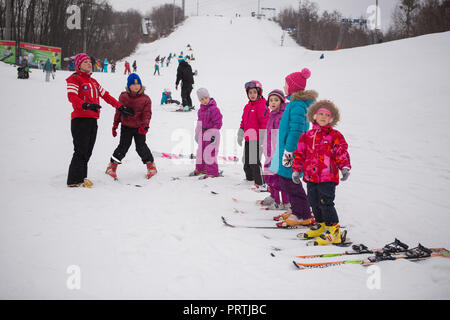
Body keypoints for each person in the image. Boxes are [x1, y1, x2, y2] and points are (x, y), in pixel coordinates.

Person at [65, 53, 134, 188]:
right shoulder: (74, 79)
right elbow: (72, 96)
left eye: (89, 62)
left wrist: (120, 107)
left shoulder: (93, 82)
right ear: (78, 65)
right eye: (85, 62)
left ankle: (81, 178)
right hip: (80, 119)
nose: (89, 64)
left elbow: (106, 96)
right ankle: (73, 180)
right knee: (80, 150)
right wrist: (85, 105)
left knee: (88, 151)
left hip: (92, 120)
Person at [292, 100, 351, 245]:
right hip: (311, 177)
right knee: (313, 201)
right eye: (320, 114)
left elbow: (341, 152)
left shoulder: (335, 135)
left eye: (326, 115)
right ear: (314, 116)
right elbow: (299, 154)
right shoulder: (307, 136)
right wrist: (296, 170)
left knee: (326, 203)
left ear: (331, 118)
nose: (323, 117)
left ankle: (334, 231)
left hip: (327, 177)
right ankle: (321, 224)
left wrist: (345, 167)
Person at [269, 68, 318, 228]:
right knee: (285, 181)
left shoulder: (297, 106)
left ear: (294, 87)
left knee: (291, 182)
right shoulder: (293, 104)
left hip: (292, 152)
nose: (284, 87)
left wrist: (289, 151)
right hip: (287, 150)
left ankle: (302, 214)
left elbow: (296, 131)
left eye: (286, 84)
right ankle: (296, 209)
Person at [106, 73, 156, 180]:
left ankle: (151, 165)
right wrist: (115, 124)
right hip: (126, 127)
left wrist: (145, 125)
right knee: (123, 146)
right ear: (129, 86)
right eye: (133, 84)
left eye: (138, 84)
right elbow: (118, 111)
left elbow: (147, 114)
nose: (136, 86)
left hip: (140, 128)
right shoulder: (123, 97)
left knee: (141, 147)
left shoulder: (146, 99)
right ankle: (112, 166)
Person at [261, 89, 290, 211]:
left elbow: (279, 137)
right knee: (269, 175)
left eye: (276, 100)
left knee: (279, 178)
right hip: (270, 152)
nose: (273, 102)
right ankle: (273, 196)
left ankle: (284, 202)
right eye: (271, 100)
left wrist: (276, 152)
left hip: (277, 153)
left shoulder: (281, 116)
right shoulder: (272, 114)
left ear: (281, 101)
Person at [237, 80, 269, 190]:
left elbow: (264, 123)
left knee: (254, 161)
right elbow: (243, 121)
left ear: (259, 92)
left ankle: (260, 182)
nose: (252, 95)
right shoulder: (247, 107)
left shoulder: (262, 106)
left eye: (254, 92)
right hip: (248, 138)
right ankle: (249, 179)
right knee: (246, 161)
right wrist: (240, 132)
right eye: (250, 93)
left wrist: (262, 138)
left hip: (257, 139)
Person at [189, 88, 223, 178]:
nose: (204, 101)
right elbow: (199, 122)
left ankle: (212, 172)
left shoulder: (214, 109)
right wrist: (197, 133)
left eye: (205, 98)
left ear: (209, 97)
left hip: (212, 134)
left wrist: (213, 134)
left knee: (209, 153)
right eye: (201, 99)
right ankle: (201, 169)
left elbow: (218, 123)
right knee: (200, 152)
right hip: (203, 134)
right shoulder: (200, 110)